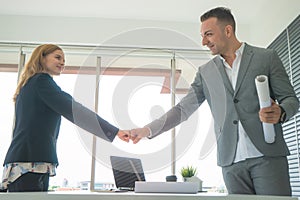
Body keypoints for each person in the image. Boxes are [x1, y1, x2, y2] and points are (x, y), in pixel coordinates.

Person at [130, 7, 299, 196]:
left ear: (228, 31)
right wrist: (147, 130)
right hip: (230, 163)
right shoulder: (205, 73)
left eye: (208, 34)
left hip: (267, 156)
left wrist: (281, 112)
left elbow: (291, 99)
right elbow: (182, 110)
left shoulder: (266, 58)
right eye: (202, 36)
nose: (204, 42)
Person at [0, 44, 130, 192]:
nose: (62, 62)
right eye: (57, 57)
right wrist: (114, 131)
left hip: (29, 161)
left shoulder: (30, 84)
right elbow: (75, 111)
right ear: (41, 58)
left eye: (64, 59)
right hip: (30, 162)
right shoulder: (41, 82)